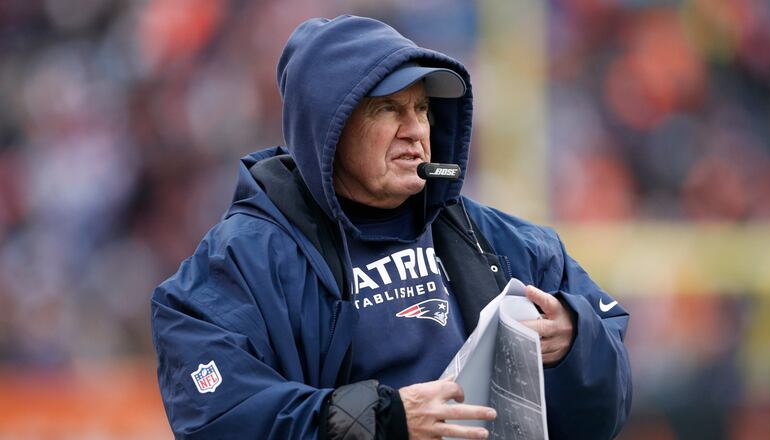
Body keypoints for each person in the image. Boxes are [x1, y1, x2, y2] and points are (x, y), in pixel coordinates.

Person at [151, 15, 631, 440]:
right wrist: (385, 421)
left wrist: (575, 341)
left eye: (422, 109)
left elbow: (605, 409)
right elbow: (219, 416)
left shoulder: (504, 242)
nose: (416, 129)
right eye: (387, 109)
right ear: (328, 128)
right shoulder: (239, 265)